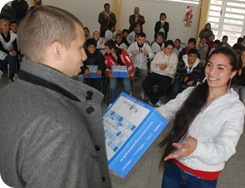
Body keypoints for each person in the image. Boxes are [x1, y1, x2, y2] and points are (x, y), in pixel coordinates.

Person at [0, 6, 112, 188]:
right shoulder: (58, 129)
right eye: (80, 47)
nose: (84, 56)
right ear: (57, 50)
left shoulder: (6, 93)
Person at [157, 47, 245, 188]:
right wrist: (139, 113)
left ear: (232, 73)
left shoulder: (235, 108)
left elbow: (225, 150)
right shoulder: (192, 92)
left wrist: (197, 148)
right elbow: (166, 111)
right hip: (174, 166)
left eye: (220, 68)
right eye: (209, 65)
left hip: (202, 178)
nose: (212, 72)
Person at [143, 40, 178, 106]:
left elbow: (173, 71)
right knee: (145, 83)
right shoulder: (159, 54)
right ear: (164, 48)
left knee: (164, 89)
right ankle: (155, 100)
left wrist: (165, 68)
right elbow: (152, 67)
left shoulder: (175, 57)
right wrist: (159, 68)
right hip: (156, 73)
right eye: (168, 48)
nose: (169, 51)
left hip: (167, 75)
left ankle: (152, 98)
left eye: (171, 49)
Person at [104, 40, 134, 104]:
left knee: (127, 85)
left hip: (124, 73)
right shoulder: (106, 56)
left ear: (112, 49)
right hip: (114, 74)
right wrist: (108, 73)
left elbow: (130, 64)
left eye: (106, 48)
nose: (105, 50)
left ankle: (128, 102)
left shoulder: (123, 52)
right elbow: (106, 67)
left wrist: (129, 73)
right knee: (112, 85)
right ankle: (111, 103)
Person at [126, 32, 154, 99]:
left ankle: (135, 92)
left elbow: (153, 55)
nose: (141, 41)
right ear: (136, 39)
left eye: (143, 40)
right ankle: (140, 91)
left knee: (143, 76)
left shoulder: (147, 46)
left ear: (145, 40)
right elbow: (126, 55)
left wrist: (147, 53)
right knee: (132, 75)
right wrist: (133, 54)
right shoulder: (133, 45)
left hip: (143, 66)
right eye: (139, 39)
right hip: (134, 65)